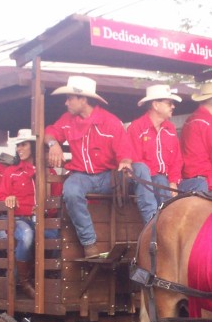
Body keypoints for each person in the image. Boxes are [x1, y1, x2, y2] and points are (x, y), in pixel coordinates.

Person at [44, 75, 149, 258]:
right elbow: (49, 132)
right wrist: (53, 144)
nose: (66, 102)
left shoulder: (110, 121)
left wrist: (125, 162)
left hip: (108, 177)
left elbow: (125, 151)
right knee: (71, 190)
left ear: (83, 100)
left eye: (70, 98)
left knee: (140, 169)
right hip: (82, 177)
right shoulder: (67, 119)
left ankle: (152, 229)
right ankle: (89, 244)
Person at [128, 83, 183, 217]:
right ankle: (155, 222)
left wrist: (173, 182)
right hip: (142, 182)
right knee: (157, 178)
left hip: (164, 181)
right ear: (156, 105)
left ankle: (167, 221)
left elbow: (177, 159)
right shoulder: (136, 127)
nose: (173, 106)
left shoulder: (170, 129)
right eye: (169, 103)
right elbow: (136, 164)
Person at [0, 129, 38, 297]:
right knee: (27, 235)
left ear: (33, 146)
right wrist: (8, 198)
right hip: (17, 219)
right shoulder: (11, 171)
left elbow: (56, 196)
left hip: (41, 219)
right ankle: (24, 282)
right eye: (18, 145)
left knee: (61, 235)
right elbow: (0, 197)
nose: (19, 148)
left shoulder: (46, 172)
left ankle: (50, 278)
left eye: (24, 144)